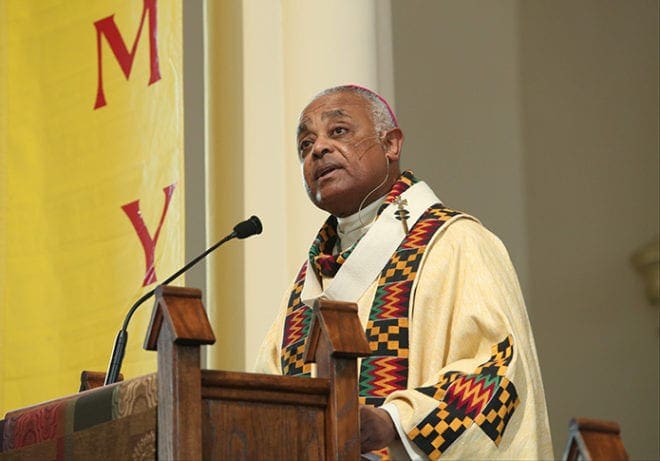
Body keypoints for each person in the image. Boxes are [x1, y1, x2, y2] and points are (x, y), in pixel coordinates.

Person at [255, 84, 553, 460]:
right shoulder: (306, 290)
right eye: (305, 145)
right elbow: (265, 400)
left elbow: (499, 373)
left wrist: (393, 421)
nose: (318, 149)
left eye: (339, 131)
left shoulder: (457, 243)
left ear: (391, 144)